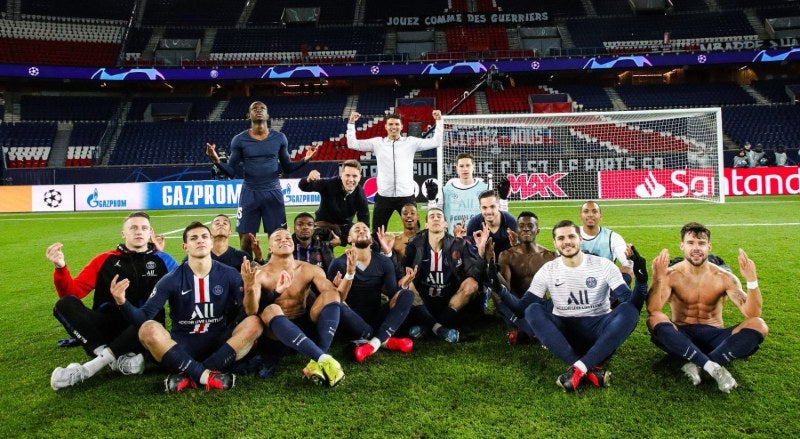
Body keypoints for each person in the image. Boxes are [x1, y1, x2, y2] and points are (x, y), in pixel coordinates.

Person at [112, 222, 263, 392]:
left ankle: (189, 373)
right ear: (185, 246)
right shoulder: (171, 279)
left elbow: (250, 311)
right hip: (183, 344)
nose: (200, 241)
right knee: (147, 329)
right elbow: (143, 317)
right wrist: (121, 302)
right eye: (194, 238)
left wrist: (250, 289)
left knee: (254, 322)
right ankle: (208, 375)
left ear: (211, 242)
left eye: (205, 237)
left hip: (219, 342)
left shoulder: (229, 274)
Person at [48, 211, 178, 390]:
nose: (139, 231)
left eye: (144, 228)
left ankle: (90, 368)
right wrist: (60, 267)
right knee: (65, 304)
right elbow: (72, 292)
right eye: (133, 228)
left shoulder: (164, 260)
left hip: (140, 332)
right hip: (105, 329)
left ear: (150, 233)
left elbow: (183, 291)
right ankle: (113, 359)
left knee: (146, 320)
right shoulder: (104, 259)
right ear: (123, 234)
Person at [646, 222, 768, 393]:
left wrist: (752, 280)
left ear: (709, 247)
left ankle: (699, 363)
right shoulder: (671, 275)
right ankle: (712, 366)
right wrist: (657, 277)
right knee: (655, 318)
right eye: (691, 243)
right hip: (681, 334)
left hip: (715, 337)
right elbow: (653, 308)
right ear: (682, 246)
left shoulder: (724, 277)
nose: (696, 248)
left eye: (701, 243)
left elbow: (752, 313)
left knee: (759, 324)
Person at [520, 220, 640, 392]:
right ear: (555, 243)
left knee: (629, 311)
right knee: (533, 310)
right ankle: (586, 368)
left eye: (571, 236)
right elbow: (522, 307)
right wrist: (498, 288)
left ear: (580, 239)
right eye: (561, 238)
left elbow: (631, 304)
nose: (567, 241)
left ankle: (578, 368)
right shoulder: (549, 270)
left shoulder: (603, 265)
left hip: (598, 334)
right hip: (565, 339)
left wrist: (641, 281)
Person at [205, 101, 317, 253]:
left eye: (262, 108)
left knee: (278, 237)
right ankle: (246, 271)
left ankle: (275, 271)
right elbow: (230, 171)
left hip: (273, 193)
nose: (258, 110)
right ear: (248, 114)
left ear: (267, 115)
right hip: (249, 193)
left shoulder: (279, 138)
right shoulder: (239, 140)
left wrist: (306, 159)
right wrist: (216, 161)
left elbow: (287, 167)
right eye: (254, 108)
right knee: (246, 239)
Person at [244, 228, 346, 387]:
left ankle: (318, 358)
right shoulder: (259, 274)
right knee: (271, 309)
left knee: (331, 294)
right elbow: (251, 311)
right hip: (276, 335)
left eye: (287, 238)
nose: (284, 240)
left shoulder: (310, 269)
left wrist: (349, 277)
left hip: (305, 327)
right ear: (270, 248)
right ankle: (323, 358)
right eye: (278, 239)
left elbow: (336, 297)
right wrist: (249, 288)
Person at [328, 222, 416, 363]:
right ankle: (384, 340)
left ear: (371, 238)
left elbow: (393, 294)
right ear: (349, 239)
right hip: (351, 319)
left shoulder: (383, 261)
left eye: (365, 229)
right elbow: (331, 299)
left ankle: (371, 344)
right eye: (357, 229)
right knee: (337, 304)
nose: (362, 231)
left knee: (407, 294)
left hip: (376, 318)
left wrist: (404, 284)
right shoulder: (338, 264)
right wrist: (340, 287)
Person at [346, 109, 444, 232]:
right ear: (386, 126)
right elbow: (352, 144)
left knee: (415, 233)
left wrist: (439, 121)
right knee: (377, 234)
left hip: (406, 196)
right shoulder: (377, 143)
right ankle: (380, 251)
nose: (394, 127)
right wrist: (351, 124)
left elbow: (436, 142)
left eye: (397, 124)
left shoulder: (411, 142)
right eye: (391, 124)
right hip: (384, 197)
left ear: (402, 126)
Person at [402, 207, 488, 343]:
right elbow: (402, 274)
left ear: (445, 224)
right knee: (406, 284)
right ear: (426, 225)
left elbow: (474, 273)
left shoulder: (459, 244)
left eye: (439, 216)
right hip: (423, 301)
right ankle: (441, 330)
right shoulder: (414, 244)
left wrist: (481, 252)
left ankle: (429, 327)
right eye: (431, 216)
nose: (435, 218)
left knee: (472, 284)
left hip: (450, 301)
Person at [492, 211, 557, 345]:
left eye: (530, 225)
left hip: (537, 306)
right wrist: (490, 264)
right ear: (516, 230)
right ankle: (532, 330)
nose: (526, 228)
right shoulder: (506, 255)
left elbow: (556, 291)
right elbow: (505, 289)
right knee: (499, 298)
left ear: (537, 230)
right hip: (514, 305)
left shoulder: (549, 257)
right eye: (521, 225)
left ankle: (524, 330)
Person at [298, 159, 370, 242]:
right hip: (323, 224)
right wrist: (308, 179)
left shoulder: (360, 195)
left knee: (368, 241)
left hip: (344, 227)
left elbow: (364, 224)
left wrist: (342, 240)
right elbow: (303, 186)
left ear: (359, 178)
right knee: (314, 240)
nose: (351, 179)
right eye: (347, 175)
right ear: (341, 175)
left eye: (354, 176)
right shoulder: (329, 184)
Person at [578, 201, 633, 283]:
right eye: (586, 211)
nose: (590, 215)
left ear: (600, 216)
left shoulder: (613, 238)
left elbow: (628, 266)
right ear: (581, 216)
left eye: (594, 211)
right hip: (577, 283)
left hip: (605, 284)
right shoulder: (570, 235)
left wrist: (616, 285)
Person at [465, 190, 517, 259]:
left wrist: (516, 245)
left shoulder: (512, 222)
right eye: (484, 207)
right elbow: (469, 257)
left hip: (507, 264)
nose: (489, 211)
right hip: (484, 265)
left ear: (499, 206)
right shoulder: (473, 224)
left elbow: (522, 252)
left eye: (492, 206)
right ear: (480, 208)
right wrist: (481, 250)